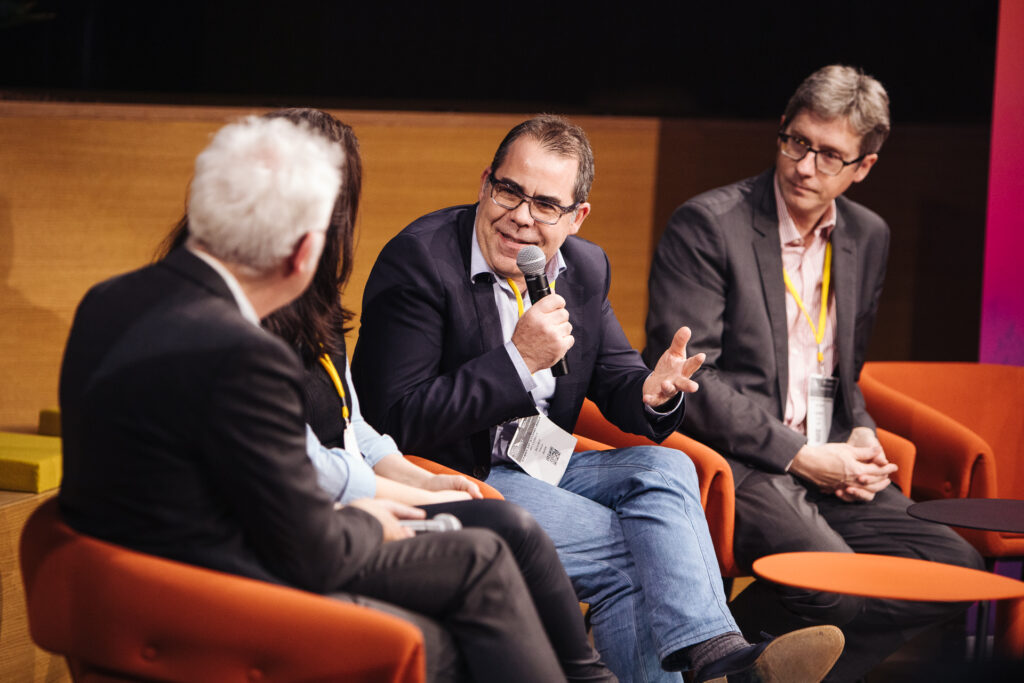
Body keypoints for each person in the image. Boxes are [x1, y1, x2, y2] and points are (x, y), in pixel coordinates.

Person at [58, 114, 582, 683]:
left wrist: (388, 495)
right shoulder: (240, 354)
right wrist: (372, 518)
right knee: (474, 577)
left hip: (122, 579)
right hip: (205, 590)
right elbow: (313, 546)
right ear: (307, 251)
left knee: (486, 550)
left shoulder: (107, 300)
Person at [352, 114, 845, 683]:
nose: (520, 217)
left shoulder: (584, 268)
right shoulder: (421, 261)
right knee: (637, 559)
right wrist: (517, 361)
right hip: (454, 466)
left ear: (576, 216)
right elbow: (395, 418)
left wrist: (653, 392)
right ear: (485, 181)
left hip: (544, 458)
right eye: (509, 190)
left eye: (545, 204)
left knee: (666, 465)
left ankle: (714, 649)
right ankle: (726, 674)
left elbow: (615, 379)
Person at [642, 65, 984, 681]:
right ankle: (715, 661)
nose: (804, 167)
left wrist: (860, 435)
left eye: (830, 156)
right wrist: (800, 455)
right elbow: (694, 380)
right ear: (781, 129)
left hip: (825, 455)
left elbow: (840, 371)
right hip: (736, 460)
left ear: (864, 167)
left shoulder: (867, 235)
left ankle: (739, 672)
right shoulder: (708, 225)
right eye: (797, 142)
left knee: (955, 567)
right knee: (835, 587)